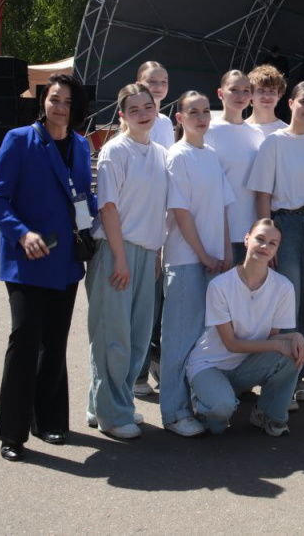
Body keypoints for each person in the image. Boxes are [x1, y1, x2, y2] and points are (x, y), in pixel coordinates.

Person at [0, 74, 95, 462]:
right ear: (43, 101)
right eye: (54, 99)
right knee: (25, 341)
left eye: (67, 102)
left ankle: (48, 421)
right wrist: (21, 233)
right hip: (27, 259)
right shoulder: (19, 139)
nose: (60, 107)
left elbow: (83, 198)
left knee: (55, 342)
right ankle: (11, 433)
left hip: (64, 260)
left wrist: (102, 221)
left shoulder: (80, 145)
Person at [248, 81, 304, 406]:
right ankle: (283, 379)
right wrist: (265, 240)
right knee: (288, 303)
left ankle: (300, 374)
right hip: (285, 227)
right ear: (291, 103)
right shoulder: (274, 143)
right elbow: (262, 195)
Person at [86, 83, 168, 440]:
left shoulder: (160, 153)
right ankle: (113, 414)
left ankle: (104, 404)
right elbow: (108, 208)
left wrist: (155, 253)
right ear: (122, 115)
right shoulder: (115, 151)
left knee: (136, 338)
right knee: (113, 337)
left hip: (146, 253)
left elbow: (158, 210)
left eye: (147, 106)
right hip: (115, 251)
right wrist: (120, 258)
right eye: (134, 109)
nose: (143, 114)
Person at [185, 219, 304, 437]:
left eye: (272, 243)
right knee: (220, 417)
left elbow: (271, 340)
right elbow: (231, 344)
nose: (265, 246)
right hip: (210, 365)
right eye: (260, 239)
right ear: (247, 239)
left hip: (245, 365)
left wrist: (294, 337)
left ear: (276, 249)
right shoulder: (220, 285)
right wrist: (280, 345)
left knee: (293, 352)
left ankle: (268, 414)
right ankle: (203, 399)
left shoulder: (284, 287)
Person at [161, 90, 235, 437]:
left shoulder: (211, 155)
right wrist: (204, 255)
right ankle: (174, 412)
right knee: (179, 339)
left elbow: (222, 208)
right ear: (179, 118)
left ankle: (197, 404)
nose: (201, 117)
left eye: (206, 111)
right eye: (193, 112)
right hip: (186, 261)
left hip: (213, 263)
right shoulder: (178, 156)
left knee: (203, 341)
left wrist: (225, 250)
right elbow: (181, 212)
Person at [134, 61, 174, 397]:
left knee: (159, 304)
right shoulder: (133, 121)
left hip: (163, 224)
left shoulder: (165, 123)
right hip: (140, 224)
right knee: (143, 306)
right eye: (152, 81)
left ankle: (154, 362)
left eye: (163, 81)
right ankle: (137, 373)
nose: (158, 86)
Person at [205, 70, 264, 265]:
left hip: (251, 233)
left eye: (246, 90)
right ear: (220, 93)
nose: (241, 95)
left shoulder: (257, 134)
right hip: (218, 234)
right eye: (234, 90)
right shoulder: (209, 131)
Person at [246, 64, 289, 136]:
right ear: (250, 94)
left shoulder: (287, 133)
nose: (267, 96)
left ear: (279, 95)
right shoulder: (238, 130)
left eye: (272, 91)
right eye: (261, 91)